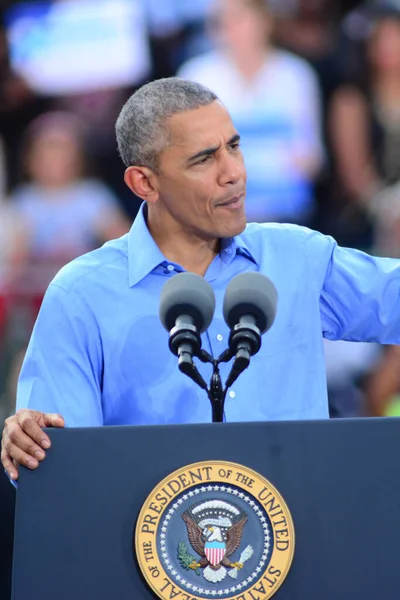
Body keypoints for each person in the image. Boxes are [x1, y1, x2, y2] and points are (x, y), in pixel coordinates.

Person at [2, 77, 400, 483]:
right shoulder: (80, 296)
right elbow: (57, 469)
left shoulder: (298, 259)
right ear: (145, 183)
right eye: (204, 159)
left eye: (234, 146)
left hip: (303, 536)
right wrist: (29, 444)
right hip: (148, 542)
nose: (234, 173)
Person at [177, 0, 324, 225]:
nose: (228, 26)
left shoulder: (295, 75)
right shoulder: (197, 76)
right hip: (217, 218)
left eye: (238, 17)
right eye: (220, 19)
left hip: (288, 216)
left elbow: (312, 156)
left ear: (265, 20)